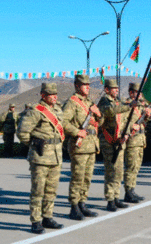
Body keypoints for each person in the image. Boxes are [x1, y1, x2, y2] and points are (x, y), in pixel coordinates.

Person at [17, 83, 64, 234]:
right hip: (40, 157)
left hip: (56, 157)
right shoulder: (36, 111)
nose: (54, 96)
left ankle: (48, 217)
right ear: (43, 95)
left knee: (51, 190)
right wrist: (33, 144)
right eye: (51, 94)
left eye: (55, 94)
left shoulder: (57, 110)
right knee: (38, 191)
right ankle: (35, 220)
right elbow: (22, 132)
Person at [62, 75, 103, 220]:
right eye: (84, 84)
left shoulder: (89, 102)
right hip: (79, 147)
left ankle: (82, 203)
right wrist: (76, 131)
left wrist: (98, 114)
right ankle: (74, 207)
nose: (88, 87)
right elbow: (63, 122)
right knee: (77, 178)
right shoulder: (72, 103)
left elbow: (100, 123)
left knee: (87, 178)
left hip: (91, 145)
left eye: (88, 84)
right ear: (77, 86)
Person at [98, 79, 137, 212]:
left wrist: (125, 134)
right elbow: (110, 111)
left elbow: (125, 121)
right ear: (106, 89)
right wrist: (129, 105)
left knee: (119, 171)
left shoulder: (117, 102)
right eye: (113, 88)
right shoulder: (105, 102)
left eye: (117, 88)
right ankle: (110, 199)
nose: (116, 90)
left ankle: (116, 197)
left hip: (119, 141)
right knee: (111, 171)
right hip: (108, 141)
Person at [124, 82, 151, 203]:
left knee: (136, 167)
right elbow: (122, 121)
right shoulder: (127, 105)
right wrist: (132, 126)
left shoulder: (141, 106)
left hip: (140, 140)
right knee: (131, 167)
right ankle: (128, 192)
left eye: (140, 93)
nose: (140, 95)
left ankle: (132, 189)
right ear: (131, 93)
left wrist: (147, 115)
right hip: (132, 140)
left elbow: (145, 121)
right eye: (137, 93)